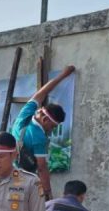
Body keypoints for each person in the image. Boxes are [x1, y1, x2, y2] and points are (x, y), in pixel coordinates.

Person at [11, 65, 76, 200]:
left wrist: (63, 75)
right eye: (52, 126)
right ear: (45, 119)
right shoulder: (39, 137)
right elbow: (42, 168)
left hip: (8, 175)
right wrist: (48, 193)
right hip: (23, 182)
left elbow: (43, 92)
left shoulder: (25, 114)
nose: (51, 130)